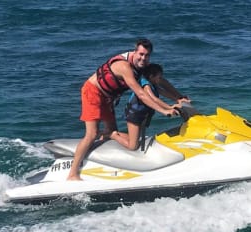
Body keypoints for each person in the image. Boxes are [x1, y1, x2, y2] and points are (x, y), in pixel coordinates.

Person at [67, 39, 181, 181]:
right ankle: (73, 173)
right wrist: (164, 111)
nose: (143, 58)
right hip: (93, 92)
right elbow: (141, 94)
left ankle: (101, 165)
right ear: (135, 51)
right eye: (141, 54)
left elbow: (160, 81)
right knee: (92, 133)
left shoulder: (143, 65)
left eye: (147, 55)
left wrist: (179, 97)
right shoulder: (124, 66)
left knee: (111, 131)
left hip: (108, 97)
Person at [110, 63, 182, 150]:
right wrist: (169, 108)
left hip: (141, 115)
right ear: (151, 76)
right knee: (133, 146)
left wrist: (177, 99)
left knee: (135, 138)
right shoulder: (146, 86)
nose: (160, 80)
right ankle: (112, 135)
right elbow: (154, 99)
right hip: (134, 115)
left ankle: (113, 133)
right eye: (159, 77)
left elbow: (163, 92)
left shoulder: (153, 84)